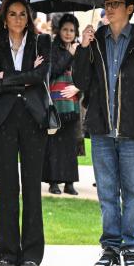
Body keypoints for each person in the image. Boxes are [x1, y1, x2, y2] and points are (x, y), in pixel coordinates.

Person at [73, 0, 134, 266]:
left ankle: (131, 248)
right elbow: (82, 82)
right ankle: (110, 247)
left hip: (133, 132)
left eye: (116, 3)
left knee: (133, 193)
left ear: (130, 9)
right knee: (107, 194)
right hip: (101, 129)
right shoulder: (95, 40)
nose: (109, 8)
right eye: (107, 3)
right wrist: (82, 49)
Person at [0, 0, 50, 266]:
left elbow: (39, 76)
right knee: (8, 186)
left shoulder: (41, 41)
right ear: (4, 16)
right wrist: (22, 79)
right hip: (4, 121)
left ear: (29, 17)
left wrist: (8, 79)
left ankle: (32, 253)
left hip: (34, 119)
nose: (18, 19)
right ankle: (8, 253)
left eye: (23, 14)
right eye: (13, 14)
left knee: (31, 186)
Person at [43, 14, 81, 196]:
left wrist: (77, 87)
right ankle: (53, 181)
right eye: (65, 29)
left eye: (72, 30)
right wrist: (69, 54)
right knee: (54, 144)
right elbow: (54, 70)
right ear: (59, 31)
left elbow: (83, 75)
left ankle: (69, 182)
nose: (68, 33)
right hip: (55, 103)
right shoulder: (52, 48)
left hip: (72, 104)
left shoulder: (80, 49)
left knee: (70, 144)